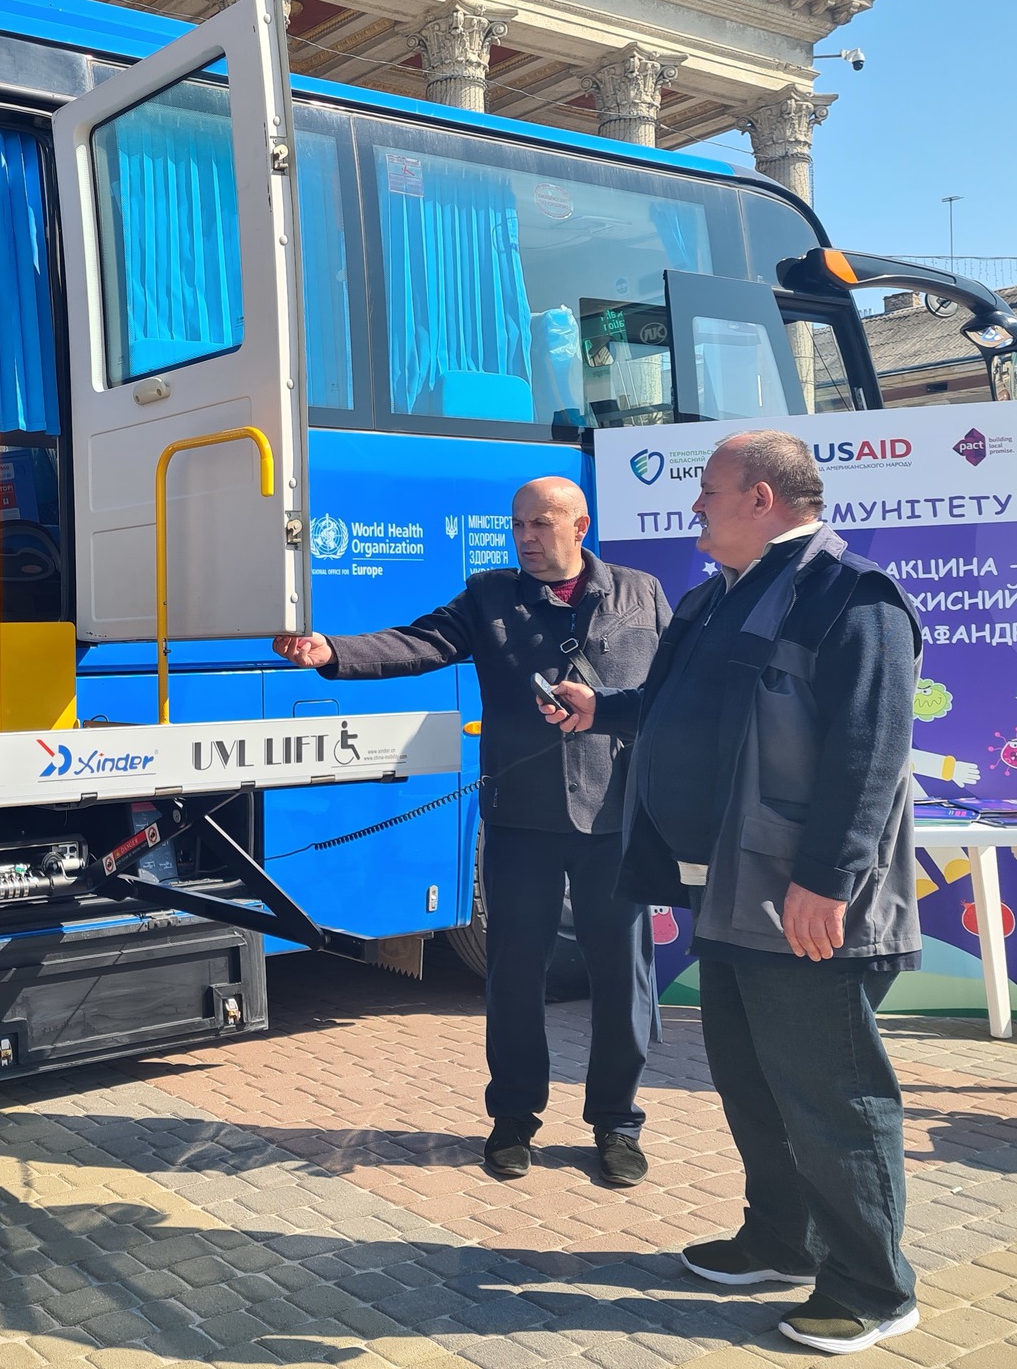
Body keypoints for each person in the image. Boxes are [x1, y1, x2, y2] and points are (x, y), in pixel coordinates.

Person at [542, 430, 922, 1356]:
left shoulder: (851, 596)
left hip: (805, 901)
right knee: (752, 1083)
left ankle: (874, 1286)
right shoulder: (716, 598)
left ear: (761, 496)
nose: (694, 507)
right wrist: (607, 709)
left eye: (708, 491)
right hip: (729, 894)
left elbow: (870, 754)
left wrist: (827, 883)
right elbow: (690, 708)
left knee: (832, 1094)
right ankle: (779, 1238)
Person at [273, 476, 670, 1186]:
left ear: (580, 526)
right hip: (520, 821)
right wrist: (332, 653)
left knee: (624, 978)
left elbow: (669, 695)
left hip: (614, 820)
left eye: (541, 524)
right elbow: (419, 642)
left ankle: (616, 1123)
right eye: (517, 524)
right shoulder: (490, 595)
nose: (525, 536)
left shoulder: (642, 593)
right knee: (515, 976)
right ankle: (513, 1118)